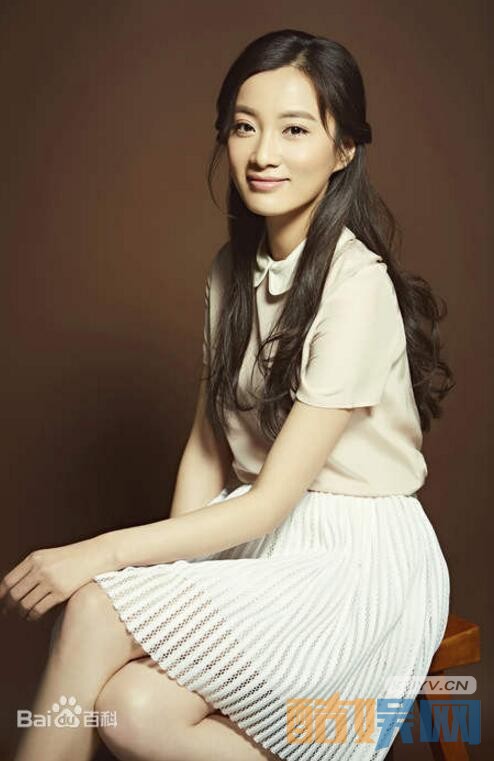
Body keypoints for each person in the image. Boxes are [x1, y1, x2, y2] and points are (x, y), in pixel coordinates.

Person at [1, 28, 454, 761]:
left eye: (295, 129)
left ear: (344, 150)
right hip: (258, 535)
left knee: (92, 604)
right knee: (130, 709)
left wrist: (102, 557)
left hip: (355, 558)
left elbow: (271, 500)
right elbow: (207, 450)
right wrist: (162, 580)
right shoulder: (228, 271)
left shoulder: (357, 285)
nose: (263, 153)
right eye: (245, 127)